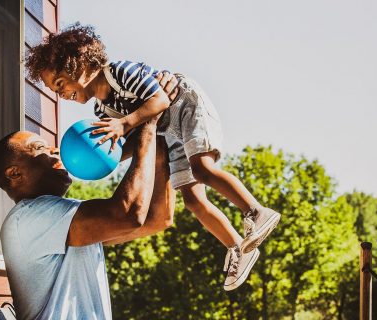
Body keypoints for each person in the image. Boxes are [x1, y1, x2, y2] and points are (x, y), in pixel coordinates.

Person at [24, 23, 281, 291]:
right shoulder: (103, 111)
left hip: (185, 105)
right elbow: (134, 143)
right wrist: (102, 154)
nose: (60, 93)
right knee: (193, 201)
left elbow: (159, 101)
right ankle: (239, 247)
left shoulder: (119, 72)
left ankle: (256, 211)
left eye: (60, 83)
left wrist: (123, 125)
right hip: (168, 133)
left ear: (81, 65)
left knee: (202, 169)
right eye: (55, 90)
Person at [0, 115, 174, 319]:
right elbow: (128, 215)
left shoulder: (61, 217)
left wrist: (160, 143)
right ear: (14, 173)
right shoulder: (27, 218)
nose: (56, 151)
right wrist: (148, 122)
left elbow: (158, 219)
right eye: (40, 148)